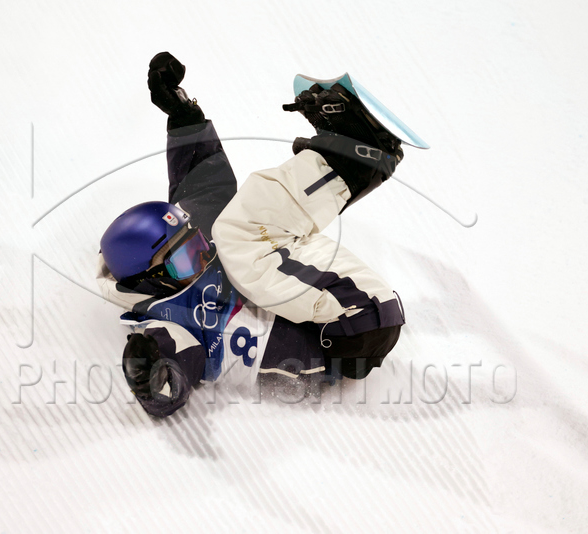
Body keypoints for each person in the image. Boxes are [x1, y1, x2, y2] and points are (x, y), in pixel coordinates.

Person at [96, 52, 406, 417]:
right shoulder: (166, 322)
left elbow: (202, 180)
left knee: (231, 225)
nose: (204, 256)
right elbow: (171, 374)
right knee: (236, 232)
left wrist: (182, 113)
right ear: (152, 281)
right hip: (339, 340)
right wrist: (148, 376)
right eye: (184, 260)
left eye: (197, 244)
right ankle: (354, 159)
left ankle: (354, 157)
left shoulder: (209, 246)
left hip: (355, 308)